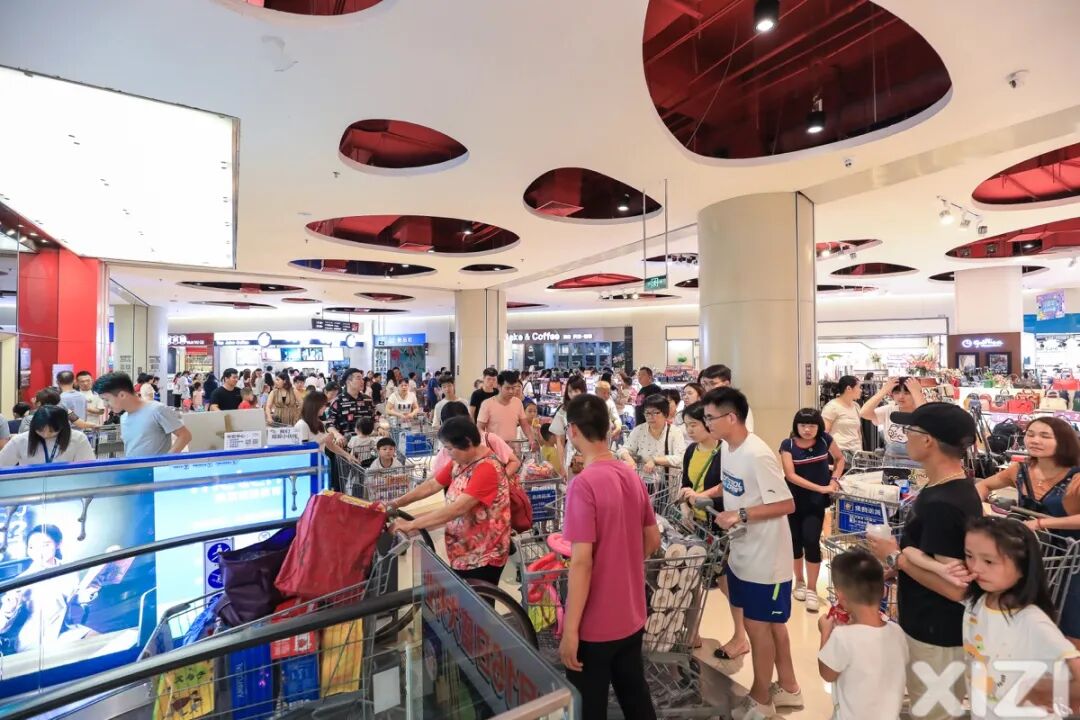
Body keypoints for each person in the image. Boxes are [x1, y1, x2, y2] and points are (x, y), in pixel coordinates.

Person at [867, 402, 982, 720]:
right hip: (933, 627)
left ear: (928, 440)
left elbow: (956, 589)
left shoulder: (942, 504)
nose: (905, 436)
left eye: (910, 430)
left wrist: (894, 556)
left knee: (933, 713)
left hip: (937, 633)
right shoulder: (949, 487)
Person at [695, 387, 801, 719]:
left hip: (766, 559)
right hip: (743, 551)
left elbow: (786, 504)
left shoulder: (758, 454)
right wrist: (705, 494)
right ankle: (789, 688)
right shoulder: (728, 448)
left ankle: (761, 698)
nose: (706, 423)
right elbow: (732, 484)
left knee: (759, 627)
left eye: (710, 417)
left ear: (731, 417)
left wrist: (739, 515)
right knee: (771, 625)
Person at [558, 394, 659, 720]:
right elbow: (652, 539)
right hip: (631, 613)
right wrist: (622, 562)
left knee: (589, 707)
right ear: (607, 429)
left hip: (595, 623)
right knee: (635, 696)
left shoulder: (583, 484)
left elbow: (582, 562)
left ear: (573, 430)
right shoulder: (630, 474)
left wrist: (570, 630)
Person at [956, 517, 1080, 718]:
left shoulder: (1031, 620)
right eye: (969, 555)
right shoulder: (978, 602)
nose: (975, 567)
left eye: (989, 561)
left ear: (1023, 567)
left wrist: (1045, 693)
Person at [975, 416, 1080, 645]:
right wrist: (977, 506)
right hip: (1027, 552)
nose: (1034, 440)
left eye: (1045, 436)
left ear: (1063, 441)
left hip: (1069, 558)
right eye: (1030, 434)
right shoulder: (1020, 470)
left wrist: (1041, 523)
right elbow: (984, 484)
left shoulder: (1075, 478)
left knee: (1070, 624)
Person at [390, 417, 510, 585]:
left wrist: (411, 525)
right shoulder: (460, 462)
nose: (447, 453)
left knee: (478, 599)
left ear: (468, 442)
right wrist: (396, 503)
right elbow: (432, 485)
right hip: (464, 550)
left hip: (483, 554)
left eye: (450, 448)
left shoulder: (487, 468)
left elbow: (457, 509)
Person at [817, 549, 909, 720]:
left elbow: (827, 673)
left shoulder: (842, 637)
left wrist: (825, 632)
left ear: (840, 597)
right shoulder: (897, 632)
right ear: (884, 591)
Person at [779, 408, 844, 613]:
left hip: (815, 503)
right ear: (796, 426)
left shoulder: (825, 439)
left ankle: (812, 589)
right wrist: (821, 488)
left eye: (812, 425)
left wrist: (834, 480)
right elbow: (790, 475)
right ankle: (798, 581)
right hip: (793, 500)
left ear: (819, 426)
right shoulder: (788, 445)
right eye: (803, 425)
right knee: (795, 542)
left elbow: (840, 458)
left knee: (811, 541)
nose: (807, 429)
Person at [0, 524, 103, 652]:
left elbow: (73, 601)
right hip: (34, 640)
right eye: (32, 547)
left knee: (99, 641)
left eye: (45, 545)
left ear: (58, 544)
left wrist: (89, 593)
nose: (38, 551)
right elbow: (1, 627)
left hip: (64, 630)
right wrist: (9, 610)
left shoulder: (69, 570)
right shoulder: (23, 580)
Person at [95, 372, 191, 457]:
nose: (105, 405)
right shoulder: (124, 417)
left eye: (106, 399)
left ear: (122, 395)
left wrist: (165, 461)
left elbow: (185, 435)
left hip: (154, 470)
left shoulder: (157, 410)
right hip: (134, 469)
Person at [860, 376, 925, 467]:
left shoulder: (923, 410)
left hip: (920, 466)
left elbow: (927, 418)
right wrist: (883, 391)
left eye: (907, 393)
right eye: (897, 392)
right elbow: (864, 413)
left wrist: (917, 392)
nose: (901, 397)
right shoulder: (889, 410)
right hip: (892, 465)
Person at [0, 406, 95, 466]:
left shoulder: (78, 438)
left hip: (66, 486)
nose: (46, 435)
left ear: (63, 427)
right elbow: (2, 464)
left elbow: (87, 468)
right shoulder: (20, 440)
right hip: (30, 487)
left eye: (52, 431)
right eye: (40, 430)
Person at [616, 394, 686, 473]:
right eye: (647, 413)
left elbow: (680, 457)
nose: (650, 417)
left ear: (665, 414)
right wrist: (629, 459)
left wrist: (655, 460)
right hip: (642, 477)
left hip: (667, 478)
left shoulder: (675, 432)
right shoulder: (639, 430)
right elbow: (623, 449)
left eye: (655, 413)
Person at [477, 371, 535, 446]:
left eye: (513, 388)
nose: (511, 391)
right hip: (493, 448)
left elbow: (524, 424)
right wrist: (486, 441)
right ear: (499, 386)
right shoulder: (487, 404)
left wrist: (531, 438)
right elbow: (479, 428)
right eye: (507, 388)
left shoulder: (517, 403)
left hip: (512, 447)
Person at [548, 376, 588, 478]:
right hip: (570, 456)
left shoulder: (591, 409)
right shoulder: (563, 411)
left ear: (583, 391)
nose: (573, 394)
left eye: (576, 391)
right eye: (570, 391)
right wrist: (562, 466)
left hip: (589, 454)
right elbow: (559, 441)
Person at [325, 368, 375, 447]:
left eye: (362, 378)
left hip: (366, 445)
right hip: (345, 446)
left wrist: (379, 428)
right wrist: (337, 435)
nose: (362, 381)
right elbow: (329, 424)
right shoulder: (338, 401)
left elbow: (374, 419)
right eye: (358, 378)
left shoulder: (368, 400)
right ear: (348, 381)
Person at [698, 364, 756, 430]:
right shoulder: (707, 404)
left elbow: (747, 430)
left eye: (713, 383)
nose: (708, 388)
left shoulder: (738, 404)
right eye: (705, 384)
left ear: (726, 384)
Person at [821, 375, 863, 463]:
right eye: (859, 387)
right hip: (838, 452)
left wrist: (860, 450)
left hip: (856, 453)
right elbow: (824, 433)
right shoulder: (832, 407)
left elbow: (858, 431)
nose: (861, 390)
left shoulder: (856, 406)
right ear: (849, 388)